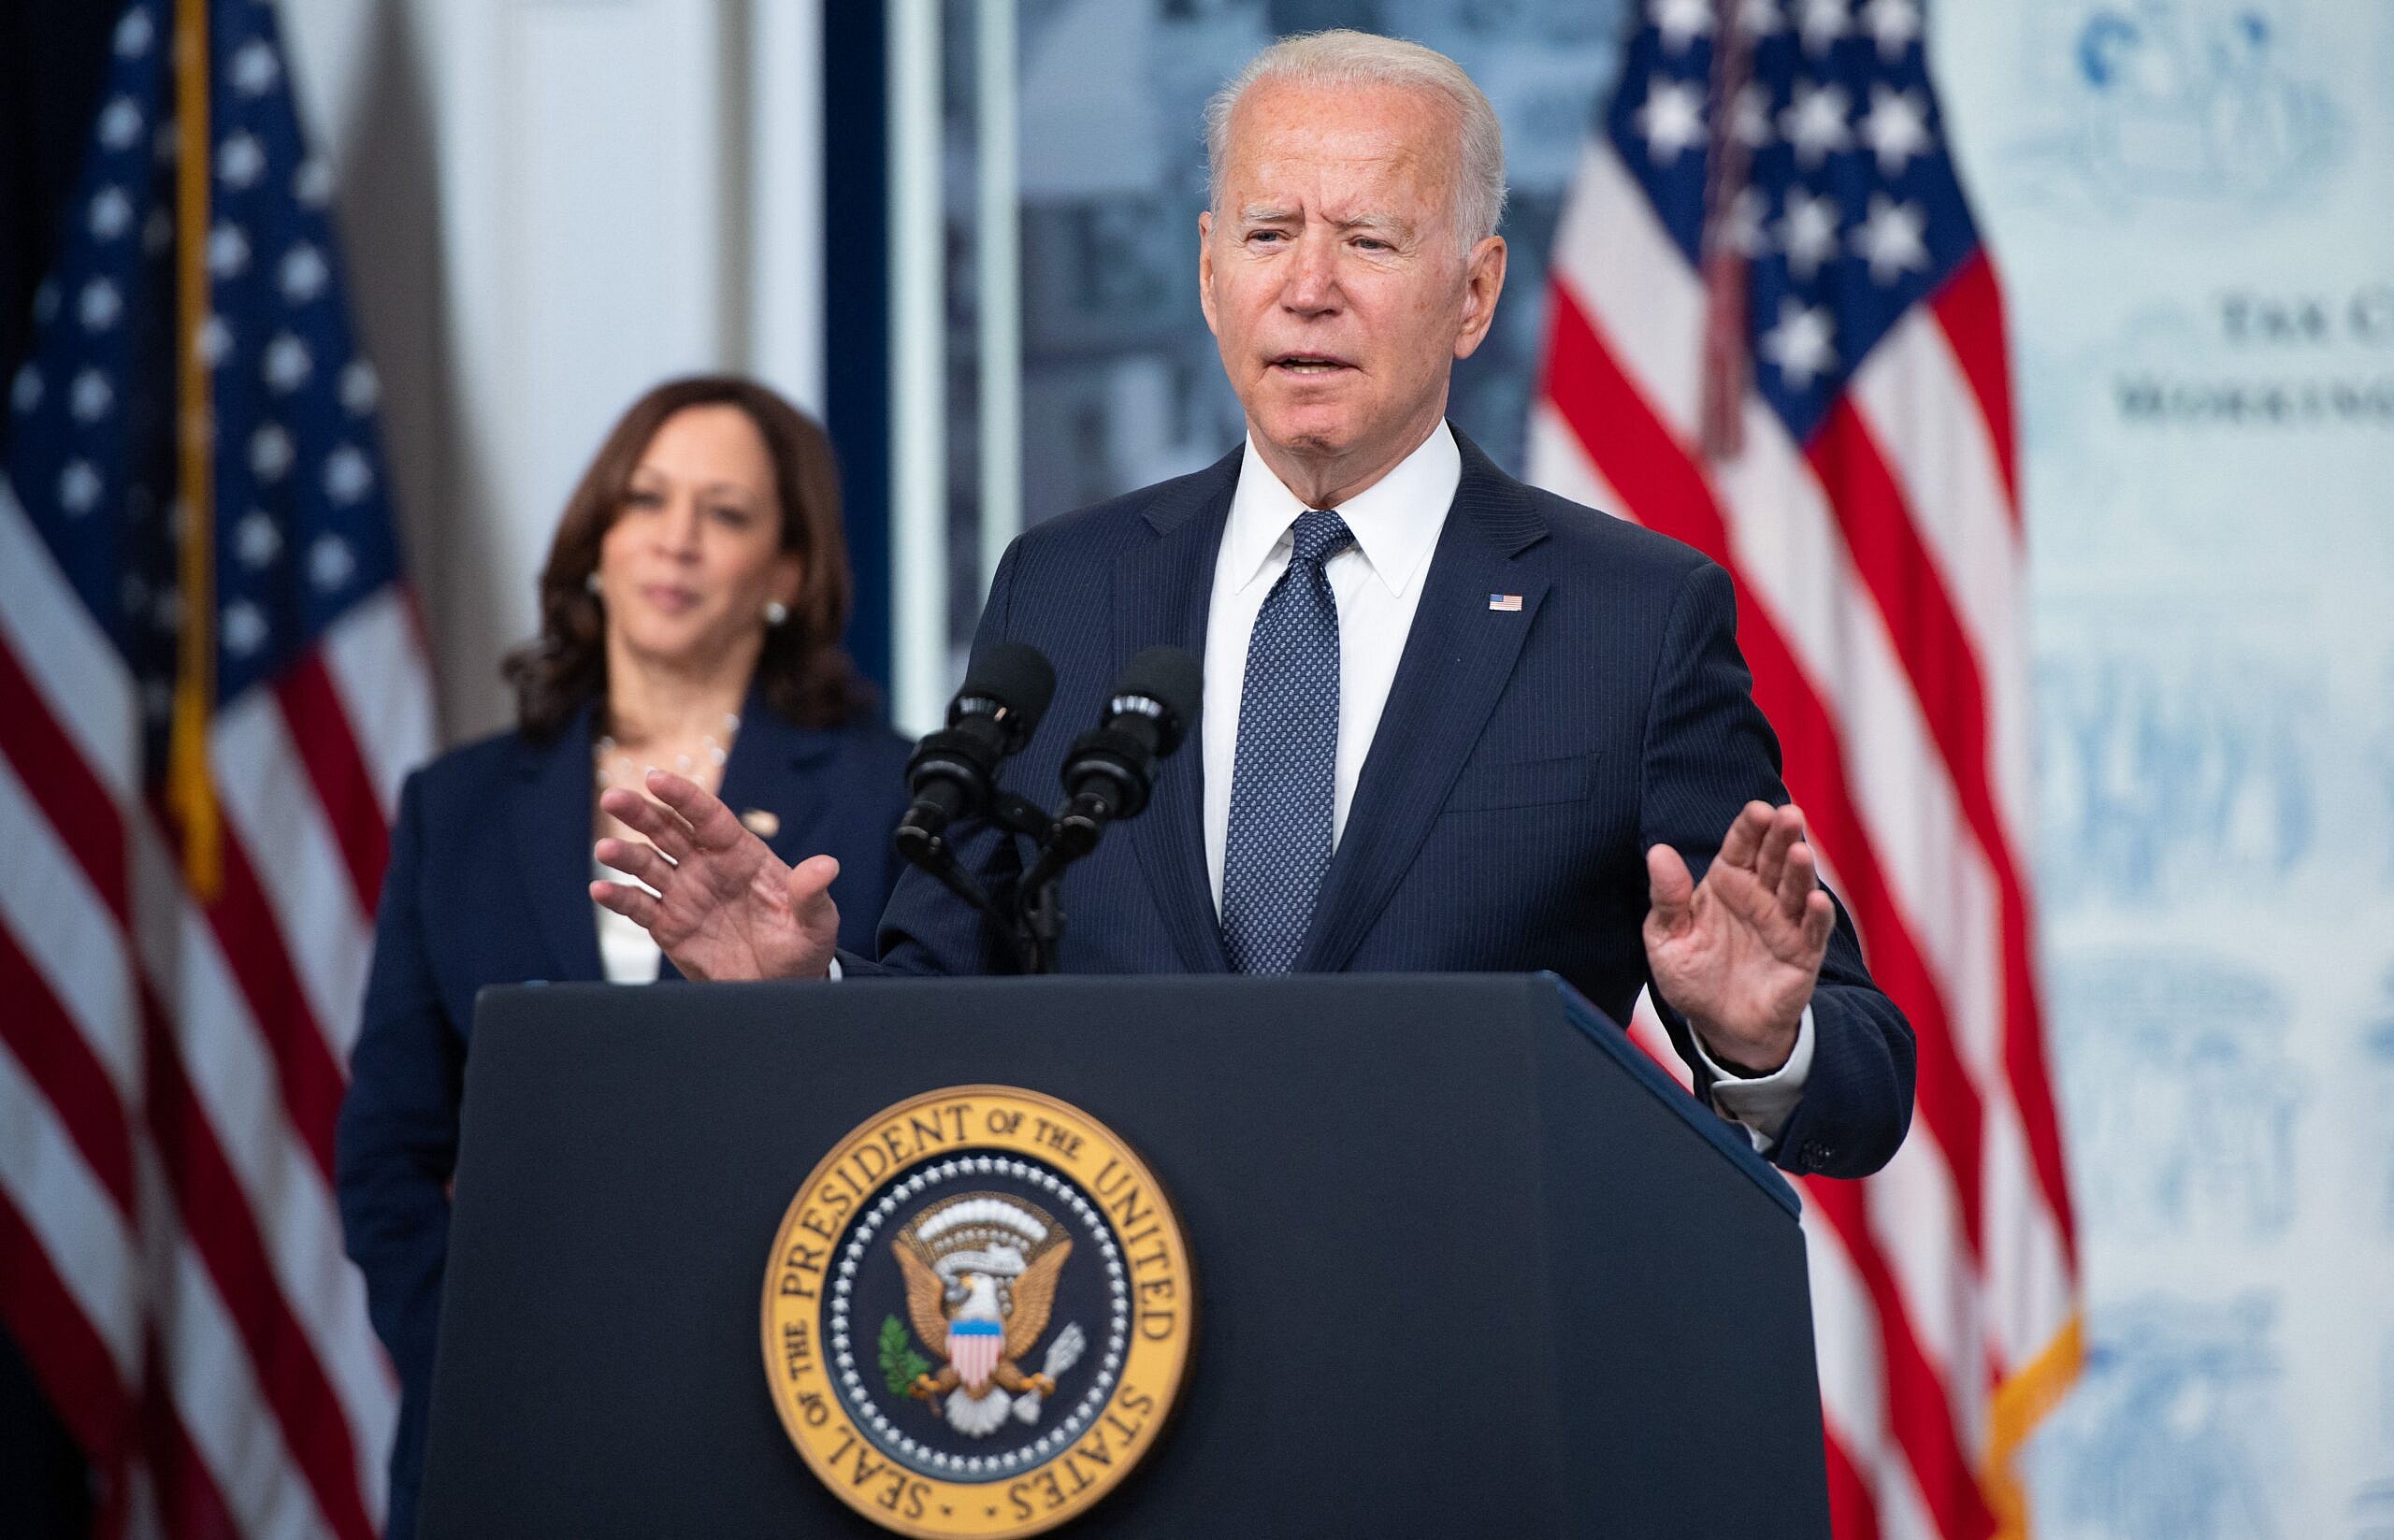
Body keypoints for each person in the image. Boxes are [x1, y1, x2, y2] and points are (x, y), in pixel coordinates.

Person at [593, 34, 1915, 1180]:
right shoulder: (1066, 584)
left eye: (1370, 239)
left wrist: (1760, 1032)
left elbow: (1865, 1079)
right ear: (1214, 269)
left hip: (1462, 1360)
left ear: (1474, 292)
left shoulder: (1631, 618)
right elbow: (951, 995)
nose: (1309, 286)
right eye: (1271, 235)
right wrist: (801, 993)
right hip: (1114, 1368)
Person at [336, 375, 911, 1537]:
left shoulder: (891, 794)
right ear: (596, 538)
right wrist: (483, 1352)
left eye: (728, 512)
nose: (677, 538)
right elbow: (387, 1152)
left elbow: (927, 1088)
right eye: (644, 499)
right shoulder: (460, 806)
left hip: (783, 1424)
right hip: (502, 1434)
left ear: (790, 574)